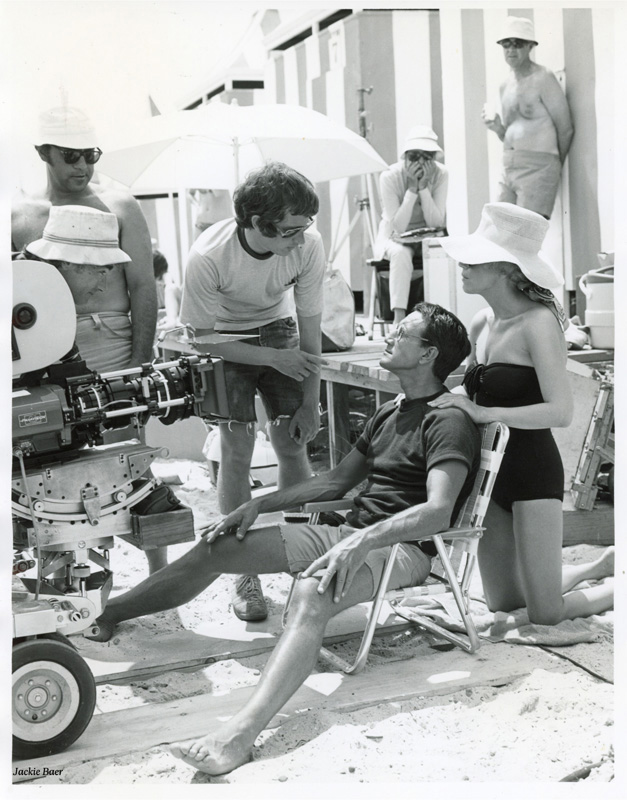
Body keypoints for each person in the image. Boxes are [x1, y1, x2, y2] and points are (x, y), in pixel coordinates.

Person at [86, 302, 481, 776]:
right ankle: (109, 613)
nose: (391, 336)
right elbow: (336, 483)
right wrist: (258, 505)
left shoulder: (448, 420)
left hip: (402, 550)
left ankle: (239, 735)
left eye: (403, 333)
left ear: (428, 355)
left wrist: (362, 541)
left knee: (310, 592)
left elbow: (437, 512)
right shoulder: (391, 411)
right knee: (219, 546)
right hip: (351, 534)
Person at [431, 202, 614, 625]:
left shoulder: (538, 324)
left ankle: (613, 581)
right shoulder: (481, 322)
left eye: (474, 258)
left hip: (532, 473)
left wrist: (481, 412)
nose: (462, 264)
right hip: (490, 475)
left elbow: (562, 411)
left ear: (507, 269)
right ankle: (594, 566)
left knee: (545, 613)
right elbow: (474, 389)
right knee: (504, 605)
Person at [179, 162, 326, 622]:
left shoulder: (308, 244)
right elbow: (199, 337)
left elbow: (311, 327)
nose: (300, 239)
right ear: (255, 224)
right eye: (289, 231)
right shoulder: (208, 257)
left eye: (305, 227)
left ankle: (304, 559)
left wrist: (310, 400)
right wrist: (272, 359)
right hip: (222, 338)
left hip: (279, 327)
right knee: (237, 446)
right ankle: (244, 575)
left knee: (292, 442)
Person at [24, 204, 170, 574]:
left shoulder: (46, 290)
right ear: (68, 264)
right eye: (100, 271)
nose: (106, 284)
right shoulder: (23, 295)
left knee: (127, 464)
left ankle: (159, 575)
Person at [12, 105, 158, 367]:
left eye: (90, 155)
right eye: (70, 155)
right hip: (42, 351)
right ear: (44, 151)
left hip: (113, 346)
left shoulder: (121, 206)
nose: (82, 166)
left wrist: (139, 363)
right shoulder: (17, 217)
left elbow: (143, 286)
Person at [482, 16, 574, 219]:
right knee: (499, 230)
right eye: (506, 44)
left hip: (538, 167)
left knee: (525, 236)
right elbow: (511, 133)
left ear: (530, 46)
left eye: (517, 44)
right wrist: (498, 128)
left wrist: (553, 165)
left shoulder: (543, 78)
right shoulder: (505, 85)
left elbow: (566, 128)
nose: (511, 49)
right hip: (509, 166)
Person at [375, 125, 448, 327]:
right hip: (393, 237)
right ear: (405, 157)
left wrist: (423, 188)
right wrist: (412, 190)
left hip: (427, 235)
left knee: (443, 250)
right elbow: (397, 226)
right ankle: (399, 319)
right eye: (415, 157)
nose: (420, 163)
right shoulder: (389, 176)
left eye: (427, 157)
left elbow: (436, 222)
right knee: (401, 253)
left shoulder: (441, 174)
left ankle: (438, 318)